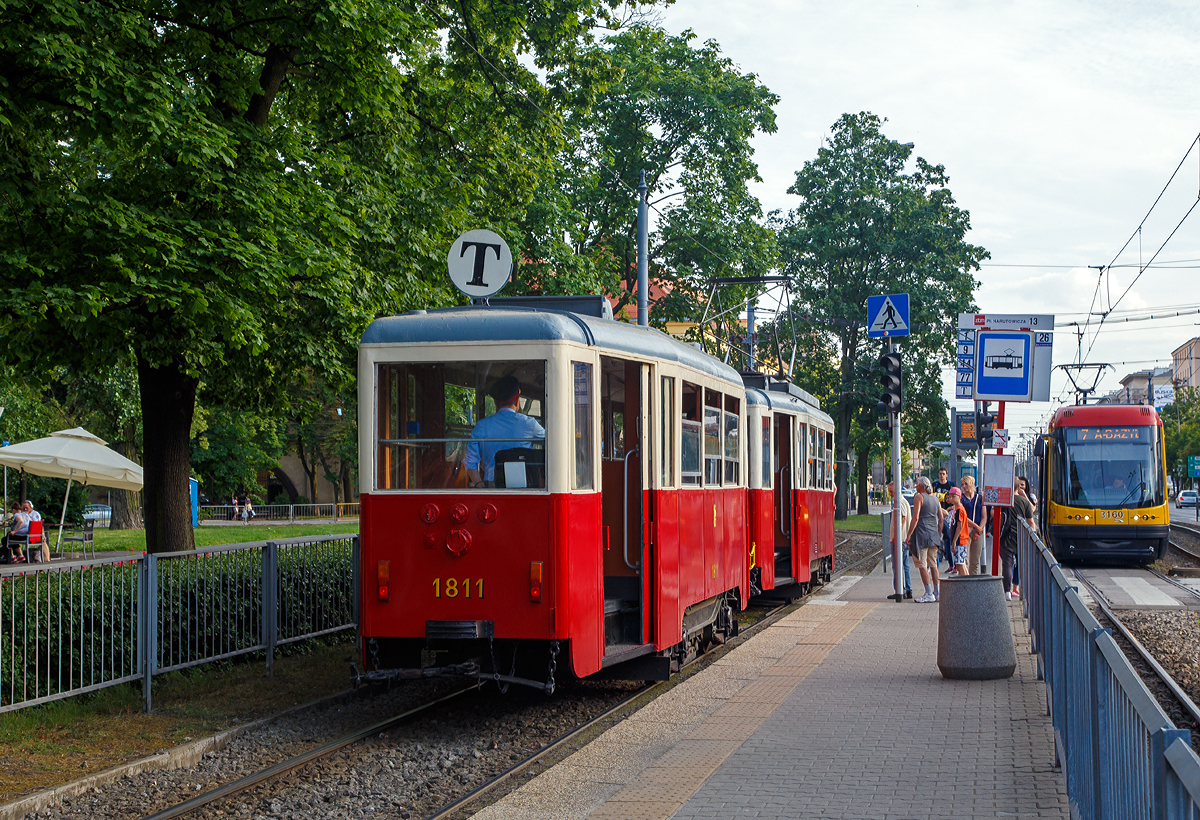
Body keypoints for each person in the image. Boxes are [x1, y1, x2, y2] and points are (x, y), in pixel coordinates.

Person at [465, 375, 546, 487]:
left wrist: (479, 484)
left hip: (492, 484)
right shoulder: (529, 423)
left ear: (495, 402)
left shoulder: (482, 426)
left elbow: (470, 461)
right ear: (517, 401)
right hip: (523, 485)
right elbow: (551, 445)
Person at [906, 476, 944, 603]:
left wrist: (909, 534)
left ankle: (928, 593)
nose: (916, 487)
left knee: (922, 564)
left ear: (921, 486)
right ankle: (937, 592)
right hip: (933, 535)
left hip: (922, 535)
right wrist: (938, 532)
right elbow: (941, 518)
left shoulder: (919, 497)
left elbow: (916, 517)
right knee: (933, 564)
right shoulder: (935, 499)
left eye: (917, 485)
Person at [999, 477, 1036, 600]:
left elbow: (994, 513)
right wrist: (1033, 536)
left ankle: (1007, 592)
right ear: (1018, 487)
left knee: (1007, 564)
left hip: (1006, 537)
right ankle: (1021, 591)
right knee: (1021, 564)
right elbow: (1031, 521)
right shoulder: (1024, 501)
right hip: (1021, 537)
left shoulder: (1004, 500)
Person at [886, 480, 913, 599]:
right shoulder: (903, 501)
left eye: (891, 491)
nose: (890, 494)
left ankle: (900, 590)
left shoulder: (899, 502)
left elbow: (903, 518)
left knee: (897, 566)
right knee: (905, 565)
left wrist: (896, 536)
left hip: (899, 539)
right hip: (903, 538)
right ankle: (907, 589)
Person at [960, 475, 987, 574]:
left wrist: (979, 529)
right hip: (966, 528)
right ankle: (964, 578)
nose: (964, 486)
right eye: (963, 484)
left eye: (966, 484)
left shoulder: (979, 498)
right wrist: (976, 526)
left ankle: (973, 578)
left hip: (978, 530)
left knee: (975, 560)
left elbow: (984, 516)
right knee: (965, 559)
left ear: (972, 484)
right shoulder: (961, 498)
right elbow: (963, 516)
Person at [945, 487, 971, 576]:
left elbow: (959, 527)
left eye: (953, 496)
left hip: (960, 540)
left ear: (959, 497)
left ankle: (965, 582)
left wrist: (954, 541)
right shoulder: (956, 509)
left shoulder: (960, 509)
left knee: (960, 564)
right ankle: (966, 581)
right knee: (961, 563)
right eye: (950, 496)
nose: (951, 498)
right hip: (960, 540)